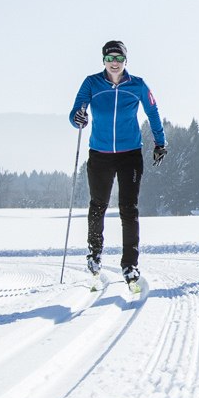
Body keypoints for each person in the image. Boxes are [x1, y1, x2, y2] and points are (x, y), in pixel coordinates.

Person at [69, 40, 166, 289]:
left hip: (129, 154)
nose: (114, 62)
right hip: (100, 154)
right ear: (103, 60)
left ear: (125, 61)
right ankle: (94, 255)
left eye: (119, 59)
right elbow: (76, 112)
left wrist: (160, 142)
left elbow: (152, 112)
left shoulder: (138, 85)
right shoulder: (92, 83)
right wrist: (78, 117)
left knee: (128, 209)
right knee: (98, 205)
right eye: (110, 58)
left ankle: (130, 265)